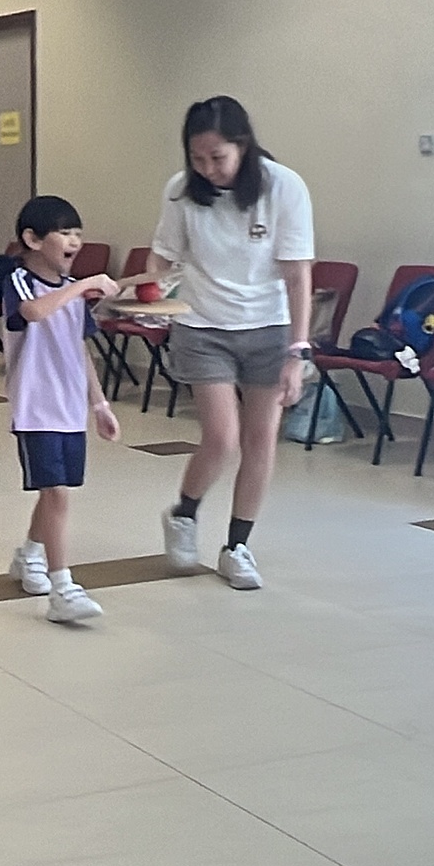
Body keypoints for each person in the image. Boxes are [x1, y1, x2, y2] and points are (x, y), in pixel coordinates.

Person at [151, 96, 314, 590]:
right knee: (221, 437)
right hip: (202, 326)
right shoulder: (181, 191)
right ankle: (184, 514)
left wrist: (298, 352)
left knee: (261, 440)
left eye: (218, 157)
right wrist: (146, 292)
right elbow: (163, 258)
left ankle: (237, 547)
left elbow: (298, 276)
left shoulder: (284, 186)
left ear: (243, 145)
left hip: (269, 328)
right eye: (197, 158)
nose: (208, 169)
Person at [3, 195, 121, 623]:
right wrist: (81, 287)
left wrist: (99, 404)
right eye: (64, 233)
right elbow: (33, 312)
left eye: (77, 234)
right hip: (36, 406)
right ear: (32, 239)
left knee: (53, 492)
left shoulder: (72, 291)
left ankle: (29, 554)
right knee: (56, 493)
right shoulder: (19, 280)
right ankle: (63, 587)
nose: (74, 242)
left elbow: (79, 348)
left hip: (70, 407)